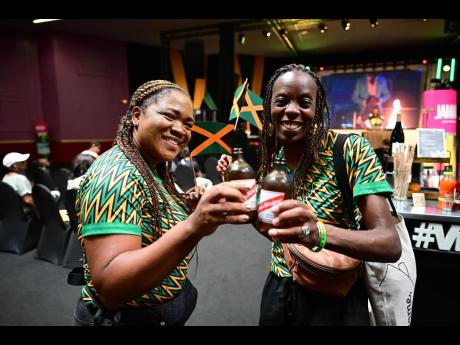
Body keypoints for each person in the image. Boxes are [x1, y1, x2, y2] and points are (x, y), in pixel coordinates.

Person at [217, 64, 401, 326]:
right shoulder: (272, 156)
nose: (292, 110)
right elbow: (272, 229)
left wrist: (319, 233)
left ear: (318, 108)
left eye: (304, 102)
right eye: (281, 101)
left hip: (334, 295)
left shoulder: (350, 150)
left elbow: (389, 243)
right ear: (269, 107)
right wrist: (244, 204)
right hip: (280, 290)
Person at [73, 80, 250, 326]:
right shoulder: (116, 175)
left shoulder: (150, 166)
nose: (181, 130)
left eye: (188, 124)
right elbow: (110, 288)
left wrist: (189, 209)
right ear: (137, 115)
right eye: (169, 115)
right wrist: (194, 225)